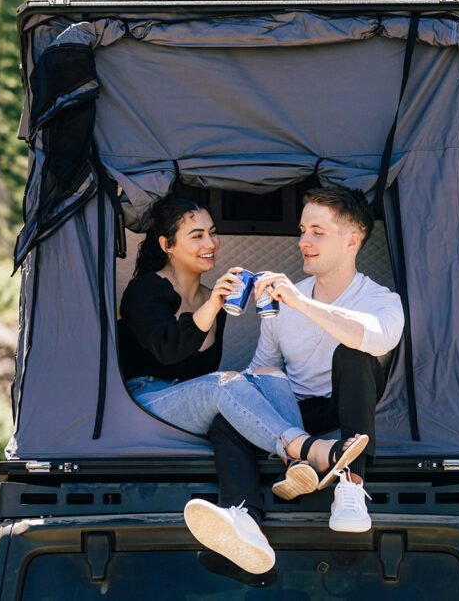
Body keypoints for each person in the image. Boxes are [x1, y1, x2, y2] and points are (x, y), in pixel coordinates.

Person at [118, 194, 369, 575]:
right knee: (224, 384)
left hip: (193, 401)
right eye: (197, 236)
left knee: (269, 375)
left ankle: (280, 484)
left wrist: (216, 302)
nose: (210, 244)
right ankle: (308, 451)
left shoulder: (208, 298)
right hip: (147, 395)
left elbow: (203, 371)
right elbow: (169, 350)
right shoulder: (145, 290)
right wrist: (215, 303)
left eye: (213, 233)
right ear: (167, 245)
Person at [188, 185, 404, 574]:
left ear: (352, 240)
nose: (304, 242)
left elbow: (373, 338)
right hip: (296, 415)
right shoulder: (285, 301)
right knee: (230, 413)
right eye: (303, 231)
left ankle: (351, 486)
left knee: (354, 352)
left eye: (317, 232)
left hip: (349, 412)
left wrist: (301, 303)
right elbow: (263, 368)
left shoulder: (381, 300)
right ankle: (245, 521)